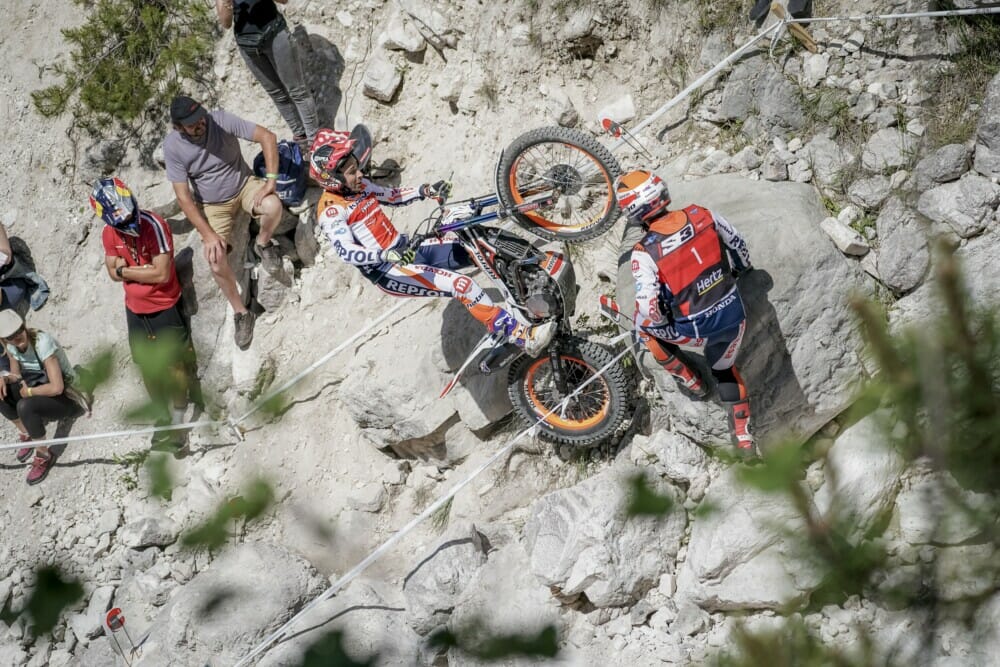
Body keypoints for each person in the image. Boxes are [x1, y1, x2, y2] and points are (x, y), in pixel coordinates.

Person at [310, 129, 555, 355]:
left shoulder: (360, 186)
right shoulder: (331, 210)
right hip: (388, 270)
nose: (360, 174)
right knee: (463, 285)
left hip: (406, 249)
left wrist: (426, 190)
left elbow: (392, 196)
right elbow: (347, 252)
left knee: (475, 244)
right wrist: (383, 255)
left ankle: (529, 298)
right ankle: (522, 337)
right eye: (352, 171)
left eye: (357, 167)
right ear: (331, 178)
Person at [616, 170, 756, 456]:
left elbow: (648, 308)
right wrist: (742, 270)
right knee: (725, 370)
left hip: (693, 331)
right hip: (734, 317)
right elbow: (738, 244)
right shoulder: (702, 214)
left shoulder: (644, 252)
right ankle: (743, 439)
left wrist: (662, 321)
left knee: (644, 329)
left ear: (632, 211)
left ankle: (689, 378)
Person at [164, 95, 285, 350]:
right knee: (216, 259)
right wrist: (207, 234)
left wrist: (271, 181)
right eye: (193, 123)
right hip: (213, 205)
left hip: (244, 185)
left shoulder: (219, 120)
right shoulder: (173, 146)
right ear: (178, 127)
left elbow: (267, 137)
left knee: (273, 206)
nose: (200, 124)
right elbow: (184, 197)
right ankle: (241, 312)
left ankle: (262, 243)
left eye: (200, 118)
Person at [91, 177, 202, 452]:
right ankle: (162, 417)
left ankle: (178, 418)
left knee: (175, 365)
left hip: (163, 306)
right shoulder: (109, 233)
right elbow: (111, 272)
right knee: (148, 368)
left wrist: (125, 271)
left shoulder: (154, 226)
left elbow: (161, 273)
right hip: (135, 310)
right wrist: (140, 272)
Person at [215, 0, 319, 154]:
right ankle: (302, 141)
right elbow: (226, 22)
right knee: (278, 95)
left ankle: (315, 144)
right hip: (248, 46)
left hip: (275, 34)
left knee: (298, 91)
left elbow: (284, 1)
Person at [0, 311, 84, 485]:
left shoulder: (42, 343)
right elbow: (16, 375)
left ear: (23, 325)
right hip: (43, 390)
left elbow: (57, 387)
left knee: (25, 406)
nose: (17, 337)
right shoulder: (11, 347)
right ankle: (27, 432)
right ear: (4, 340)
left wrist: (30, 392)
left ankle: (43, 454)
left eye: (19, 330)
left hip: (68, 397)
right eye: (10, 336)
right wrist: (5, 378)